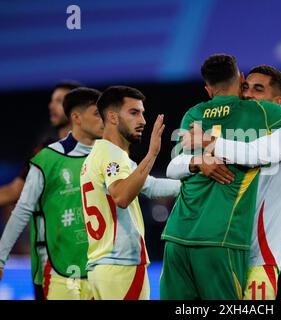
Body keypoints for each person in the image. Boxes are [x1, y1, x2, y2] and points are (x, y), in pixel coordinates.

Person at [160, 54, 281, 300]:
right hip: (225, 244)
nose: (248, 95)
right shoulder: (235, 124)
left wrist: (208, 142)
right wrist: (198, 161)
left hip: (259, 257)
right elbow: (176, 166)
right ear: (238, 81)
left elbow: (255, 153)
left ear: (278, 103)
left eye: (258, 89)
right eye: (245, 87)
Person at [0, 87, 103, 299]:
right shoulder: (44, 157)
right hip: (53, 265)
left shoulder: (107, 154)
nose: (52, 106)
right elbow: (19, 202)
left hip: (99, 266)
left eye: (60, 100)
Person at [80, 86, 180, 300]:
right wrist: (152, 154)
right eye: (134, 113)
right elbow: (122, 196)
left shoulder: (99, 154)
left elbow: (149, 186)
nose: (143, 120)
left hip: (102, 267)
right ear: (113, 117)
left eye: (142, 113)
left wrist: (194, 185)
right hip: (121, 266)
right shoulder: (112, 154)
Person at [0, 81, 83, 207]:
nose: (51, 106)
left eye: (59, 101)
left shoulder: (97, 147)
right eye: (52, 101)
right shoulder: (43, 152)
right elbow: (15, 191)